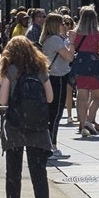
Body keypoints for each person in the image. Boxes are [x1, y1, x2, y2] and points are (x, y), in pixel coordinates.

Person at [0, 35, 53, 198]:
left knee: (14, 170)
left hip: (15, 126)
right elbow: (51, 97)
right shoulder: (40, 68)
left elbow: (3, 101)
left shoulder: (10, 70)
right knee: (38, 170)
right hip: (37, 126)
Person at [71, 6, 99, 138]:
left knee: (81, 97)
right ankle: (88, 122)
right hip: (94, 66)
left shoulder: (75, 33)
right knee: (98, 96)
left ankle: (82, 126)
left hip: (80, 65)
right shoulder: (98, 33)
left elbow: (72, 48)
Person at [40, 12, 73, 153]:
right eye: (62, 23)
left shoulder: (49, 39)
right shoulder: (55, 40)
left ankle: (50, 143)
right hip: (57, 77)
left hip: (53, 76)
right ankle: (51, 145)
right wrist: (71, 41)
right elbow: (70, 57)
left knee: (53, 111)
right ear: (56, 25)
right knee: (56, 112)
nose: (65, 26)